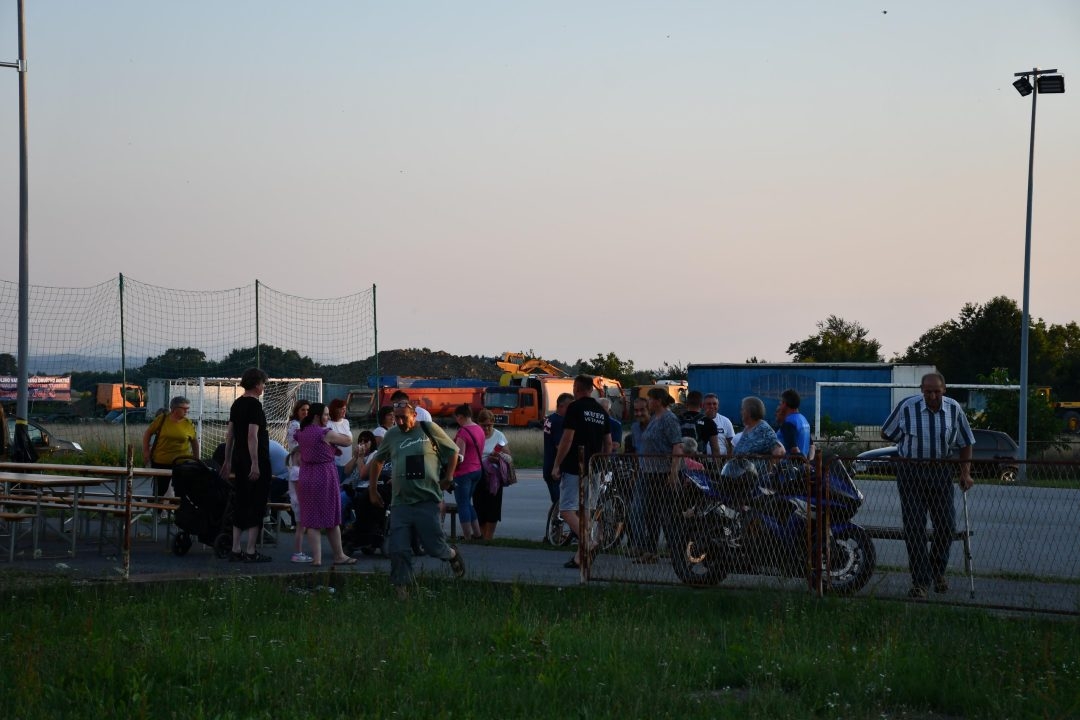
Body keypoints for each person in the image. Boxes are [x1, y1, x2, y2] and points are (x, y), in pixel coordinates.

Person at [881, 372, 974, 599]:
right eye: (928, 391)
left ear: (944, 390)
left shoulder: (953, 409)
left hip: (941, 471)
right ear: (921, 390)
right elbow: (886, 432)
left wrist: (965, 472)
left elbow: (966, 441)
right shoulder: (907, 407)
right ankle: (920, 582)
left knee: (947, 526)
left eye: (936, 391)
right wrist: (907, 442)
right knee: (914, 527)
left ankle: (936, 570)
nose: (932, 396)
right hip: (911, 471)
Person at [367, 401, 465, 599]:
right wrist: (373, 489)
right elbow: (378, 460)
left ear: (414, 416)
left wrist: (449, 477)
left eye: (404, 416)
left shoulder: (428, 429)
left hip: (426, 499)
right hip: (400, 502)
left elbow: (453, 451)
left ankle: (452, 555)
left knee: (433, 547)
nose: (400, 421)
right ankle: (403, 591)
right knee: (398, 549)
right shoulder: (392, 435)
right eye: (396, 417)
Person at [551, 375, 612, 569]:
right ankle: (580, 558)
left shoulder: (575, 408)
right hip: (594, 466)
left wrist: (556, 464)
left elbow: (567, 439)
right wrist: (602, 465)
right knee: (585, 512)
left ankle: (589, 542)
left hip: (575, 466)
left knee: (567, 509)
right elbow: (608, 443)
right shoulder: (601, 412)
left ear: (577, 388)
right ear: (591, 389)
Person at [219, 368, 273, 563]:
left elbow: (230, 435)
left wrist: (227, 460)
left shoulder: (237, 404)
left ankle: (235, 548)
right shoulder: (255, 407)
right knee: (257, 503)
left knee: (241, 501)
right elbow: (253, 435)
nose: (264, 387)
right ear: (257, 384)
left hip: (240, 460)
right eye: (263, 383)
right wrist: (256, 463)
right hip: (254, 461)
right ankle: (250, 550)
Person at [294, 401, 357, 567]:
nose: (328, 418)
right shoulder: (325, 433)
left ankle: (317, 559)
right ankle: (339, 555)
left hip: (306, 475)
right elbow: (348, 441)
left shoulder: (302, 432)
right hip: (324, 475)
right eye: (326, 415)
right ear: (317, 416)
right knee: (332, 517)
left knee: (311, 519)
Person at [631, 388, 684, 565]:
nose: (649, 403)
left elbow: (677, 446)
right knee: (650, 514)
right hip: (649, 471)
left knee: (666, 514)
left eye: (651, 400)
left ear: (659, 401)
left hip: (663, 473)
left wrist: (674, 472)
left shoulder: (669, 419)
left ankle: (676, 551)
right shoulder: (655, 419)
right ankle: (650, 551)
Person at [142, 396, 199, 498]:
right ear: (174, 409)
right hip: (161, 461)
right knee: (160, 490)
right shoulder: (162, 419)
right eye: (184, 408)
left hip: (182, 463)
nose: (186, 411)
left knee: (181, 491)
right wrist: (146, 451)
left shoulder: (188, 423)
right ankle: (158, 512)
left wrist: (196, 459)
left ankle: (178, 512)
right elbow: (148, 433)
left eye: (187, 409)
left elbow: (194, 442)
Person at [474, 408, 510, 541]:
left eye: (490, 425)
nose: (487, 428)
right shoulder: (475, 434)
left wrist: (498, 456)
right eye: (484, 426)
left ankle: (489, 537)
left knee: (493, 507)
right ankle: (482, 535)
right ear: (478, 423)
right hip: (477, 475)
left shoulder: (499, 435)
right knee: (479, 506)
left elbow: (508, 456)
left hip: (494, 477)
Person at [452, 404, 485, 542]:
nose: (457, 421)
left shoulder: (463, 432)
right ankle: (477, 534)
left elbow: (460, 456)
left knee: (462, 504)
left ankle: (467, 536)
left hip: (464, 472)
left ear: (461, 417)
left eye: (457, 418)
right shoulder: (479, 429)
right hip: (477, 470)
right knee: (468, 502)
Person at [542, 393, 574, 504]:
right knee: (562, 503)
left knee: (557, 502)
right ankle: (558, 519)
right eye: (570, 407)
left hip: (548, 464)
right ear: (561, 406)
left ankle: (555, 519)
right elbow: (560, 445)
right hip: (556, 467)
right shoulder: (560, 421)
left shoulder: (550, 418)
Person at [285, 447, 312, 563]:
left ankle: (299, 552)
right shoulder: (296, 471)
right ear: (297, 455)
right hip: (299, 503)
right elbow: (299, 490)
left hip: (298, 503)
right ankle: (297, 553)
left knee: (301, 528)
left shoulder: (295, 470)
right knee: (300, 529)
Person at [679, 390, 721, 457]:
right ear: (701, 405)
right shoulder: (709, 422)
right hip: (700, 463)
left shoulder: (677, 419)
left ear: (686, 405)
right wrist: (717, 466)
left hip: (679, 462)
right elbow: (715, 449)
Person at [775, 389, 812, 457]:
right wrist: (808, 461)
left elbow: (794, 449)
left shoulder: (789, 423)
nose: (780, 405)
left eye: (780, 403)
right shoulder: (803, 419)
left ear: (784, 403)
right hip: (801, 464)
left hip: (789, 465)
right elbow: (812, 446)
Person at [327, 399, 353, 483]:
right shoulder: (328, 424)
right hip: (336, 464)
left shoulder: (346, 422)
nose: (344, 410)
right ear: (335, 410)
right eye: (342, 408)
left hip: (349, 463)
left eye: (345, 408)